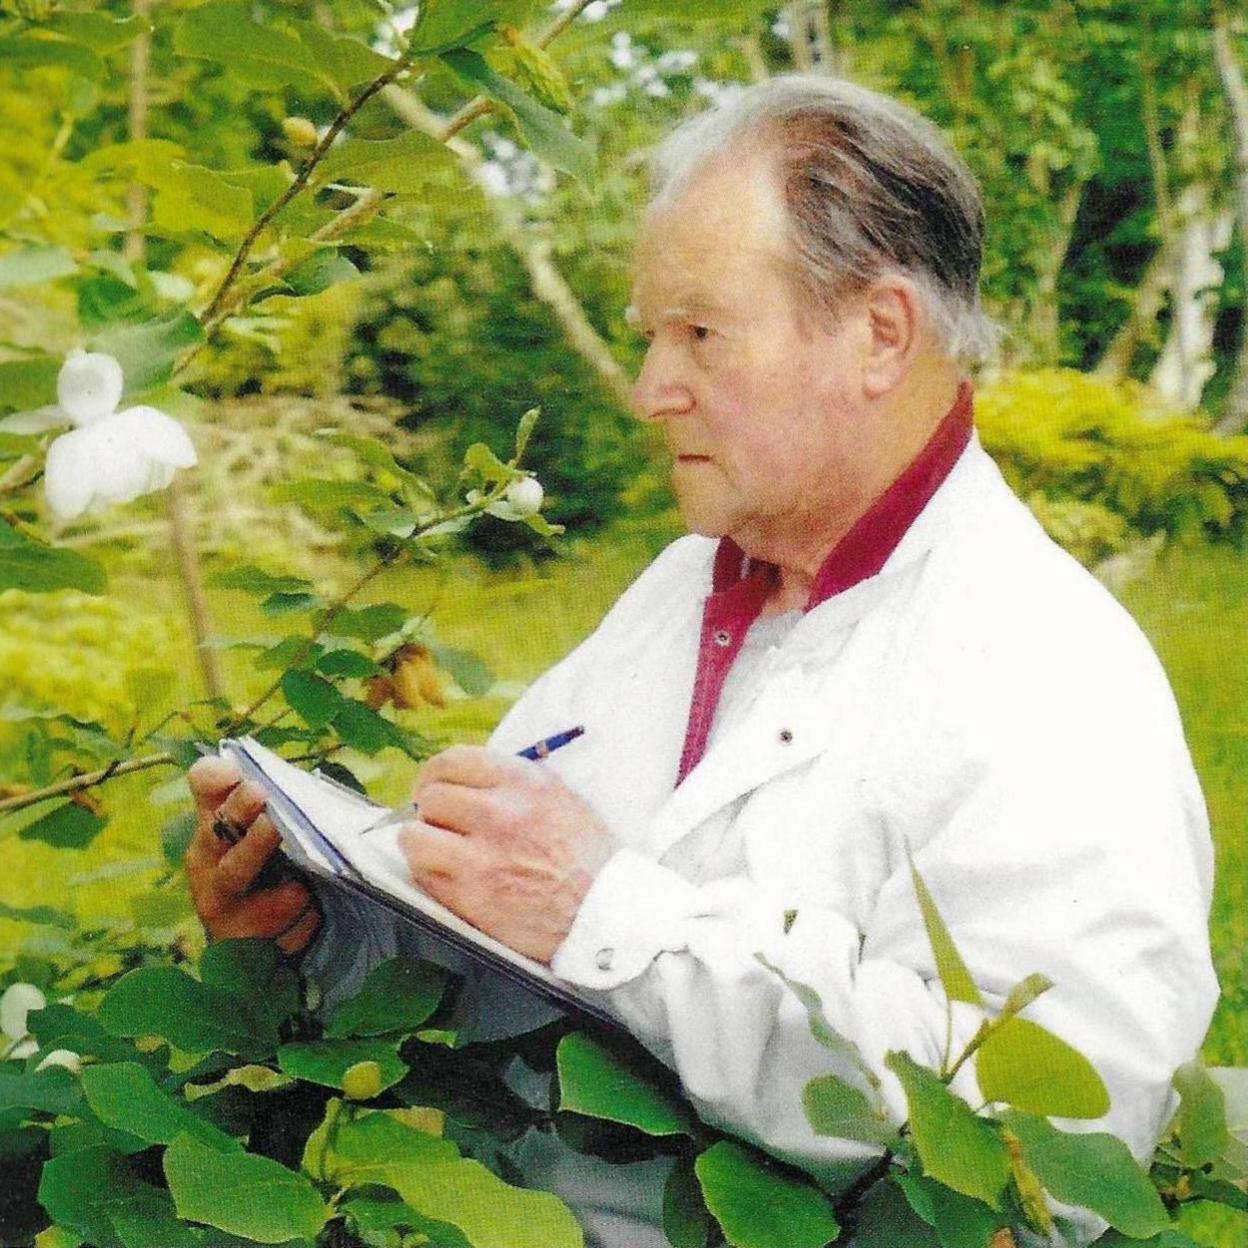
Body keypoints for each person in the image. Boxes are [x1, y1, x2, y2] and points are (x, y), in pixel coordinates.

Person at [187, 76, 1219, 1246]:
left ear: (880, 334)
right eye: (650, 336)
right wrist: (320, 933)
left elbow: (1051, 1146)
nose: (649, 390)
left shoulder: (1048, 668)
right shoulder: (682, 591)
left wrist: (613, 915)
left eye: (700, 334)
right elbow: (510, 941)